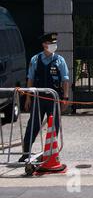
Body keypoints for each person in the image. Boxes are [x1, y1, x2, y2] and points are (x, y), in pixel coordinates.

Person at [18, 33, 70, 162]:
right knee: (33, 125)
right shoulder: (35, 59)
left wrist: (65, 98)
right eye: (51, 43)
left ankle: (50, 153)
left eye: (54, 43)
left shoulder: (59, 60)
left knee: (54, 126)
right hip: (38, 98)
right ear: (44, 45)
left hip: (54, 98)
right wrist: (28, 98)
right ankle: (26, 152)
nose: (54, 45)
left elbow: (65, 80)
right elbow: (30, 78)